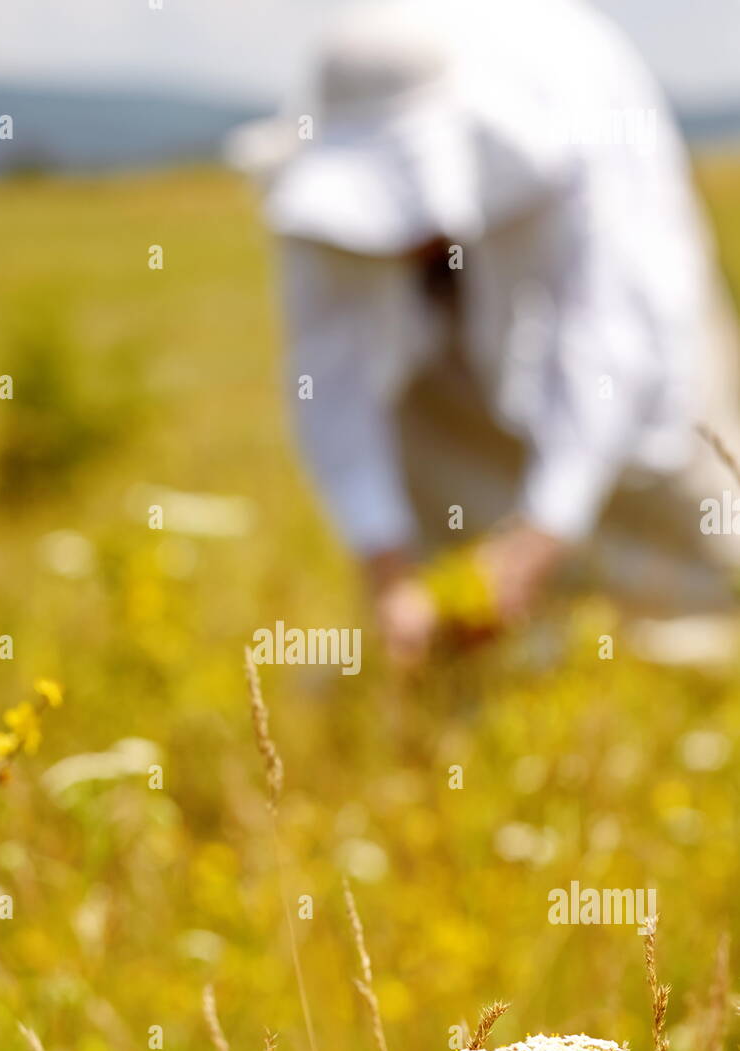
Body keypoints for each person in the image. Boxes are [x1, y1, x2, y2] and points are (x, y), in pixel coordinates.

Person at [228, 0, 740, 667]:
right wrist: (387, 570)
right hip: (452, 353)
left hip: (629, 323)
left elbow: (607, 356)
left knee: (687, 491)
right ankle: (474, 655)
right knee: (440, 469)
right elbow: (333, 379)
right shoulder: (317, 156)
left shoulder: (572, 111)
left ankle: (695, 642)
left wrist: (539, 539)